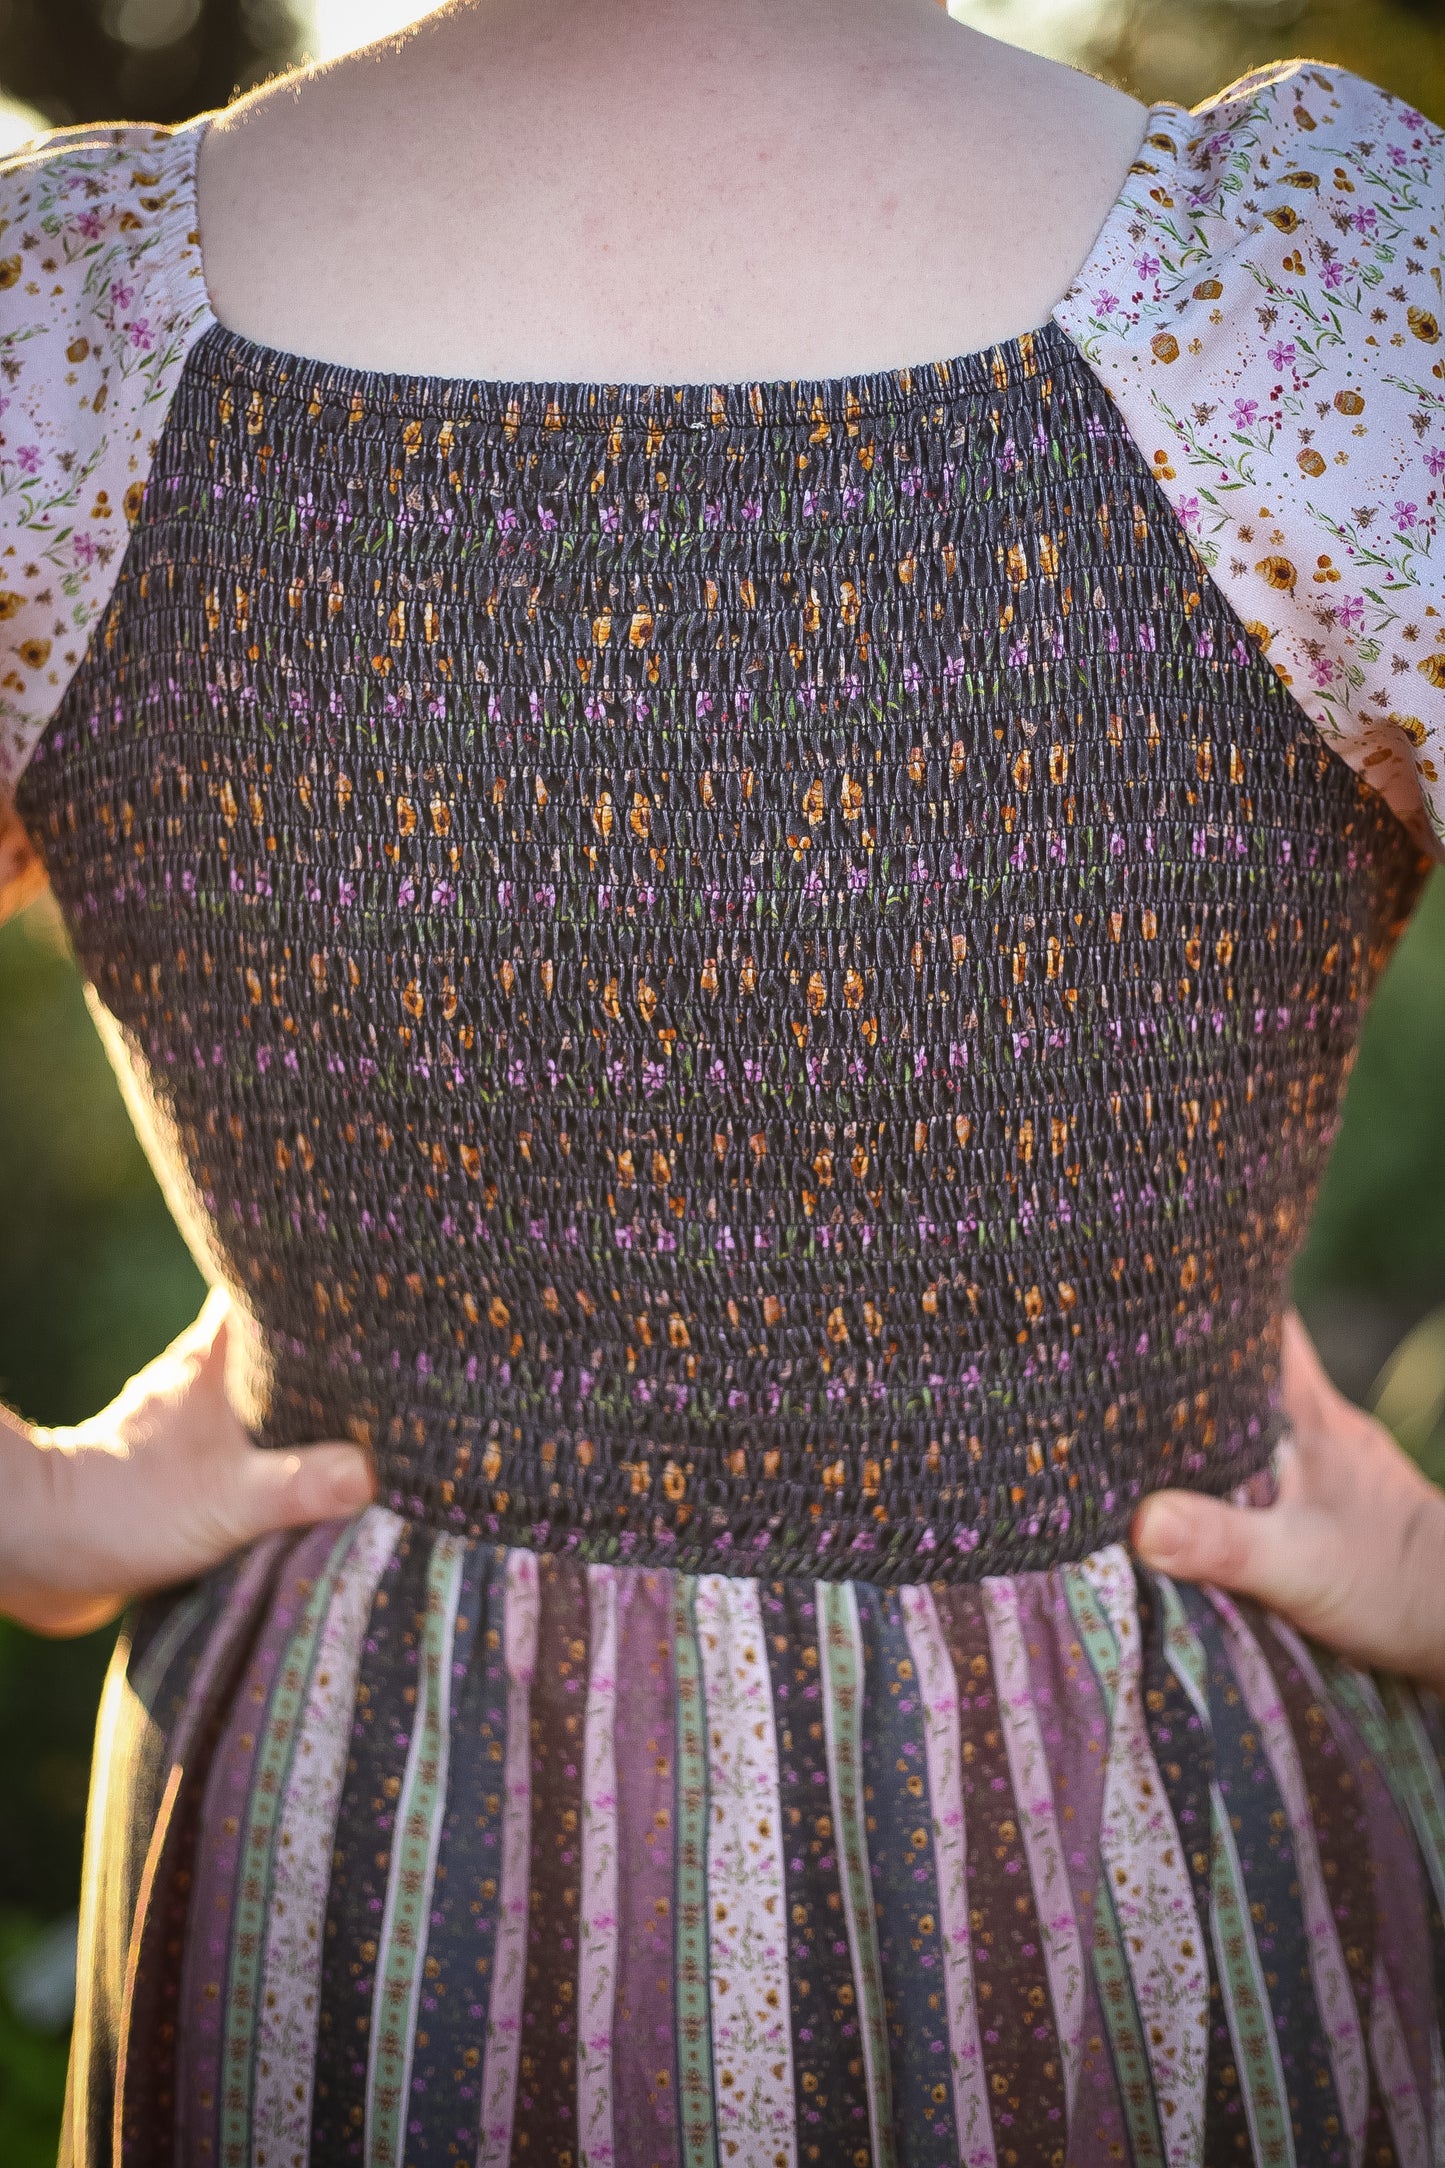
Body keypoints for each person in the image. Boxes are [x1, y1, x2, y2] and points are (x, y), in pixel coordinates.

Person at [2, 0, 1445, 2159]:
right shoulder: (1317, 297)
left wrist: (32, 1517)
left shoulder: (66, 341)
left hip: (366, 1893)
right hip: (1149, 1873)